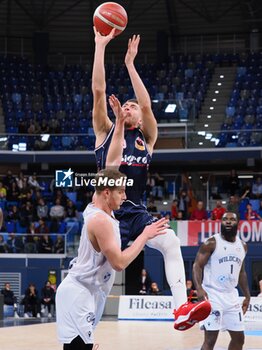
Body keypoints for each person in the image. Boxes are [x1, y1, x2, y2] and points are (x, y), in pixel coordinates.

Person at [92, 27, 210, 331]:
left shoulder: (148, 137)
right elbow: (99, 92)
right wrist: (100, 46)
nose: (130, 108)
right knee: (96, 276)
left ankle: (181, 309)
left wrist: (131, 65)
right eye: (126, 106)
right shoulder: (106, 131)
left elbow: (145, 104)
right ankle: (84, 327)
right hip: (107, 213)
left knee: (171, 242)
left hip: (136, 212)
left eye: (133, 107)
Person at [56, 169, 169, 349]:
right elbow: (119, 263)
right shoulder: (100, 221)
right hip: (79, 293)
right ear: (107, 193)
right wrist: (145, 235)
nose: (125, 196)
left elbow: (104, 176)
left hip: (90, 291)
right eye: (121, 191)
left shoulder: (98, 206)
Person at [193, 212, 251, 350]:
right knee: (211, 339)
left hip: (231, 296)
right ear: (221, 223)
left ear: (238, 223)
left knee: (239, 338)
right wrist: (199, 288)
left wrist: (247, 296)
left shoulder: (243, 246)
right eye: (225, 219)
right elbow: (197, 265)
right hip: (212, 295)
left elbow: (241, 272)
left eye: (232, 219)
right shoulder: (211, 243)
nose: (228, 222)